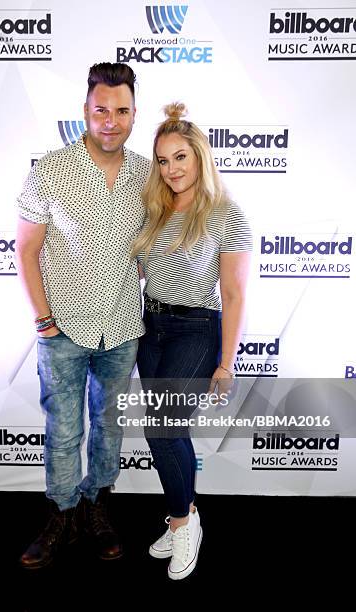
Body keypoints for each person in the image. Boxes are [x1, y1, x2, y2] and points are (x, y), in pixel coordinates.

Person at [15, 62, 150, 569]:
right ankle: (62, 513)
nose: (110, 120)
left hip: (121, 327)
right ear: (85, 111)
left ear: (134, 113)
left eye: (121, 110)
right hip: (62, 329)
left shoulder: (145, 174)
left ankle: (96, 506)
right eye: (101, 110)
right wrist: (43, 321)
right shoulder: (50, 170)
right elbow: (26, 251)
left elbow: (149, 248)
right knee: (63, 429)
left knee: (109, 428)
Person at [132, 103, 252, 580]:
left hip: (197, 330)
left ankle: (184, 523)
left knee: (162, 429)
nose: (171, 169)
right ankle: (185, 513)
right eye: (162, 160)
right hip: (151, 330)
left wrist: (226, 363)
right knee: (163, 430)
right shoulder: (155, 207)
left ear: (200, 156)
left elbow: (234, 292)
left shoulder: (226, 214)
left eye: (180, 157)